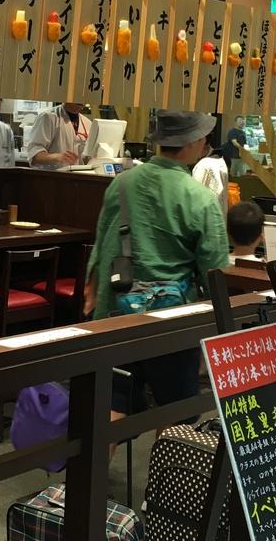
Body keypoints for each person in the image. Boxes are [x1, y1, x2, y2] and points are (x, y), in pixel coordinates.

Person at [85, 111, 229, 418]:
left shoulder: (121, 183)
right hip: (171, 322)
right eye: (203, 138)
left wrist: (94, 295)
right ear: (192, 143)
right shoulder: (200, 197)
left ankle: (101, 452)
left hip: (116, 314)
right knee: (176, 416)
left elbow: (102, 245)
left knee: (112, 410)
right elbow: (215, 270)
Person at [24, 102, 91, 169]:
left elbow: (89, 156)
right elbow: (34, 154)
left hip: (77, 174)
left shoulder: (88, 123)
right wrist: (56, 157)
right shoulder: (47, 117)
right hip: (51, 174)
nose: (81, 101)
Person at [192, 145, 229, 218]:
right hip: (217, 214)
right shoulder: (219, 160)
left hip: (207, 215)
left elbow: (194, 197)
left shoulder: (204, 165)